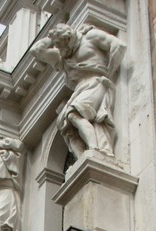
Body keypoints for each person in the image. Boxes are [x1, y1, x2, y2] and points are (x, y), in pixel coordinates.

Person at [30, 23, 126, 159]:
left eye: (61, 45)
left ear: (68, 38)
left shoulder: (90, 37)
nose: (59, 48)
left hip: (96, 83)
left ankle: (95, 148)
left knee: (73, 114)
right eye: (57, 45)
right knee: (65, 125)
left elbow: (119, 46)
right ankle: (83, 159)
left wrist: (110, 72)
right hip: (81, 89)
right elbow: (36, 50)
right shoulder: (62, 56)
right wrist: (53, 35)